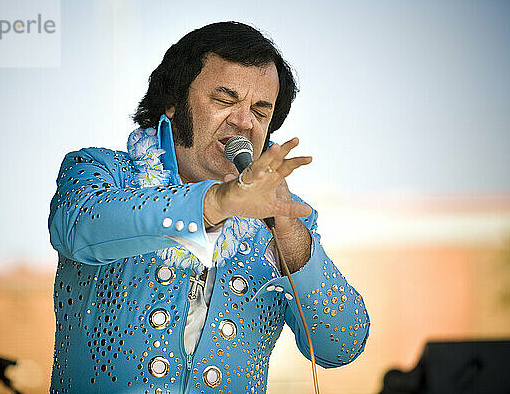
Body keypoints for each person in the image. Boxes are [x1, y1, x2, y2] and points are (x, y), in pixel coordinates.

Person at [48, 21, 369, 393]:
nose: (244, 121)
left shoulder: (288, 220)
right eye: (225, 100)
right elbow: (79, 227)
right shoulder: (101, 171)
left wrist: (286, 224)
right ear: (172, 101)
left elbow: (342, 344)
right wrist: (218, 202)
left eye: (261, 111)